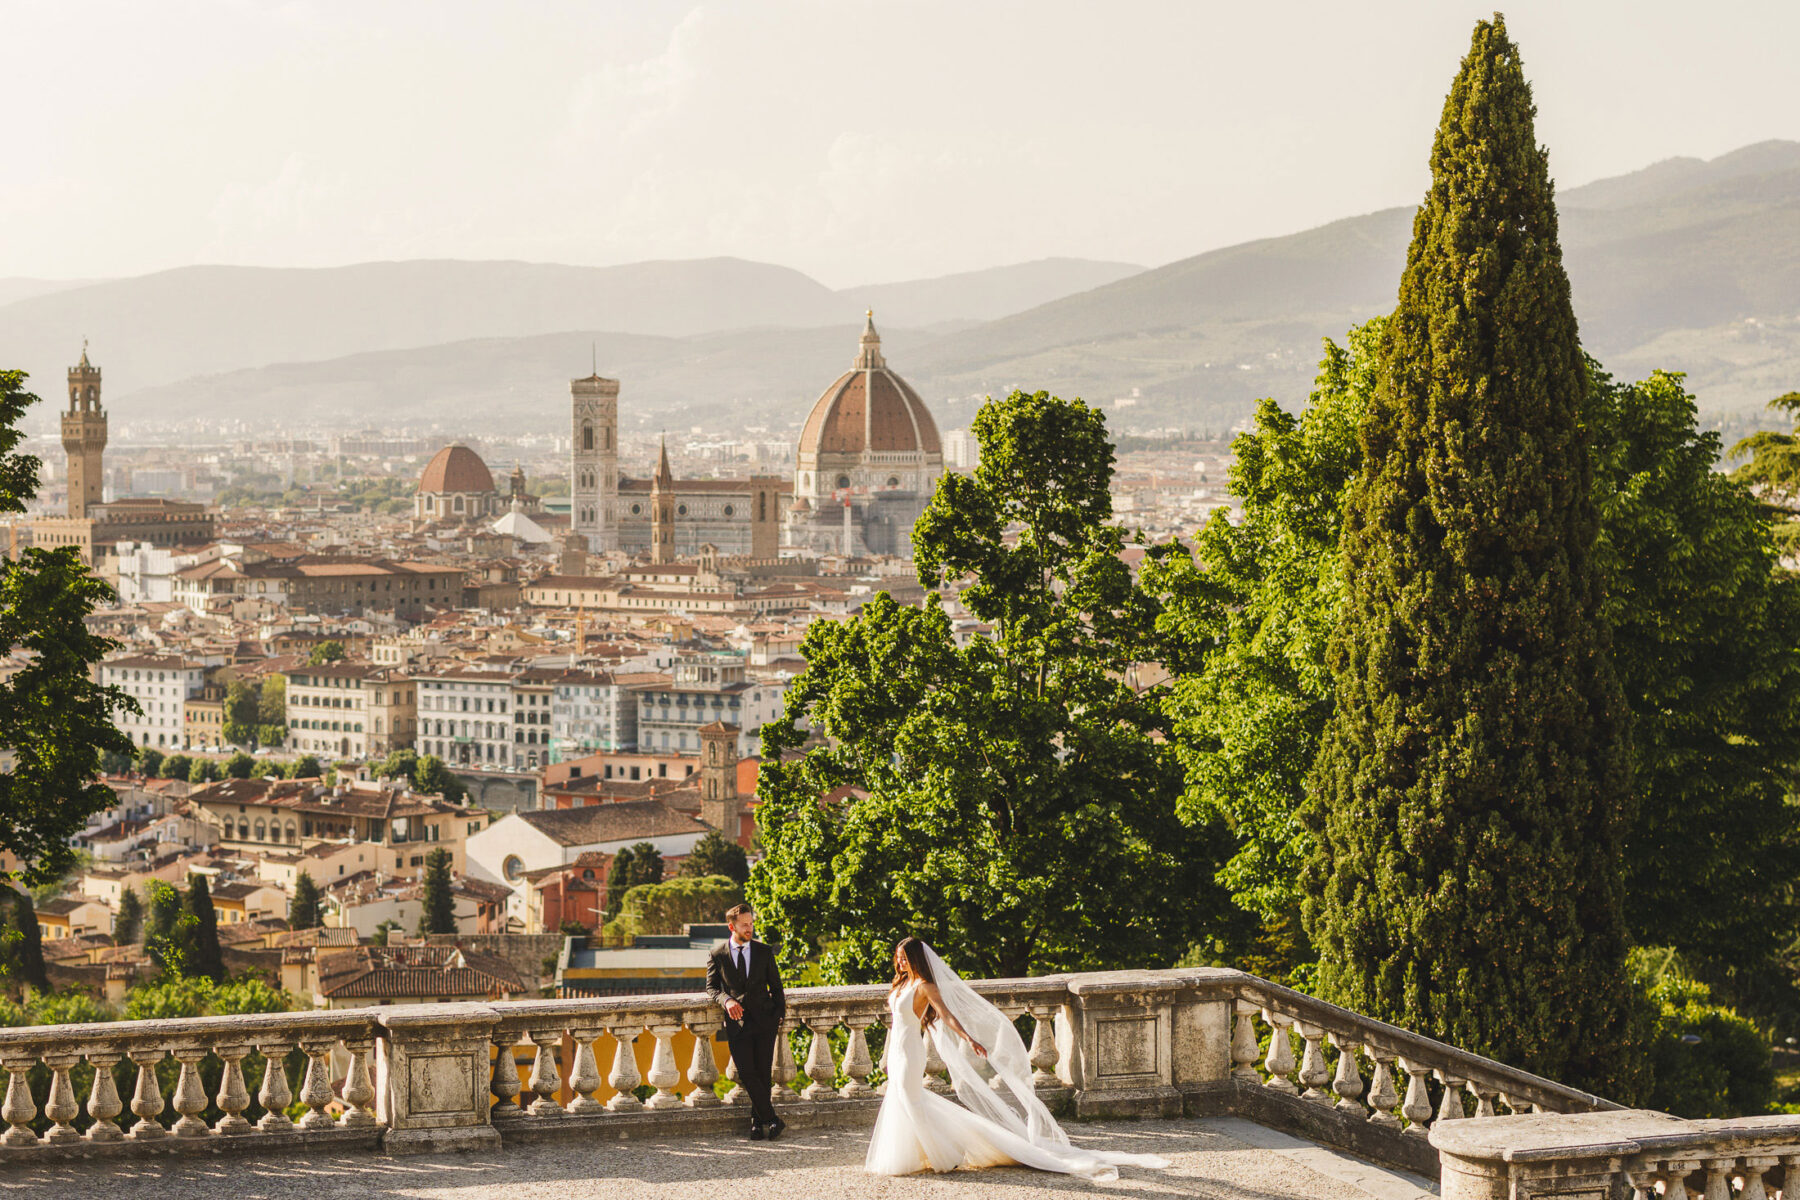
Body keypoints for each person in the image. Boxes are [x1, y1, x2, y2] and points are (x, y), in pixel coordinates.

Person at [865, 936, 1171, 1181]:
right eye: (898, 957)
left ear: (916, 959)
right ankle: (918, 1152)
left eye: (904, 957)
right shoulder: (901, 983)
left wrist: (968, 1038)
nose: (900, 961)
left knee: (911, 1099)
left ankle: (944, 1154)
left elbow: (946, 1015)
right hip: (897, 1049)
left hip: (911, 1050)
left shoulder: (924, 986)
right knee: (903, 1098)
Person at [705, 902, 787, 1140]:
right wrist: (727, 1001)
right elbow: (712, 988)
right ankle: (772, 1119)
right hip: (737, 1023)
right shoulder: (717, 954)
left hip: (765, 1021)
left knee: (763, 1073)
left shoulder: (763, 951)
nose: (749, 928)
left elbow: (776, 986)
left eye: (751, 923)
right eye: (744, 925)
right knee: (746, 1072)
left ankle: (757, 1123)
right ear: (732, 927)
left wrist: (779, 1014)